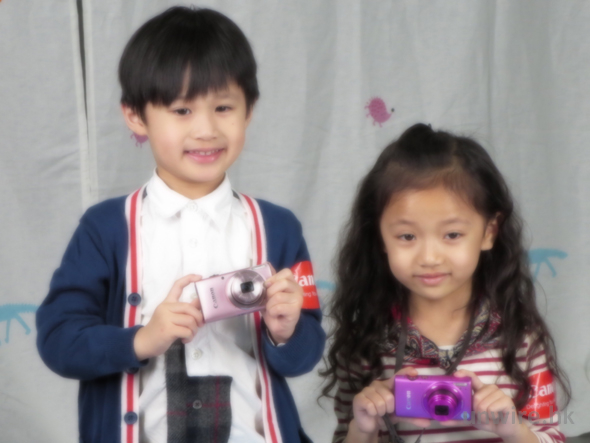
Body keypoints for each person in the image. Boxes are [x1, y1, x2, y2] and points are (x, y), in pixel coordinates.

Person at [36, 7, 325, 443]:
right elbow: (58, 341)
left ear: (249, 110)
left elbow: (308, 349)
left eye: (223, 107)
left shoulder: (279, 228)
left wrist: (286, 332)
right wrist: (141, 340)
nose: (206, 129)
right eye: (182, 110)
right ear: (136, 116)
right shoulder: (104, 228)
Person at [321, 123, 570, 443]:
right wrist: (363, 429)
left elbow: (551, 435)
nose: (429, 257)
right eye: (407, 236)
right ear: (380, 237)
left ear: (489, 231)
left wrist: (515, 430)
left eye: (452, 234)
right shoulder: (365, 343)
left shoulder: (520, 338)